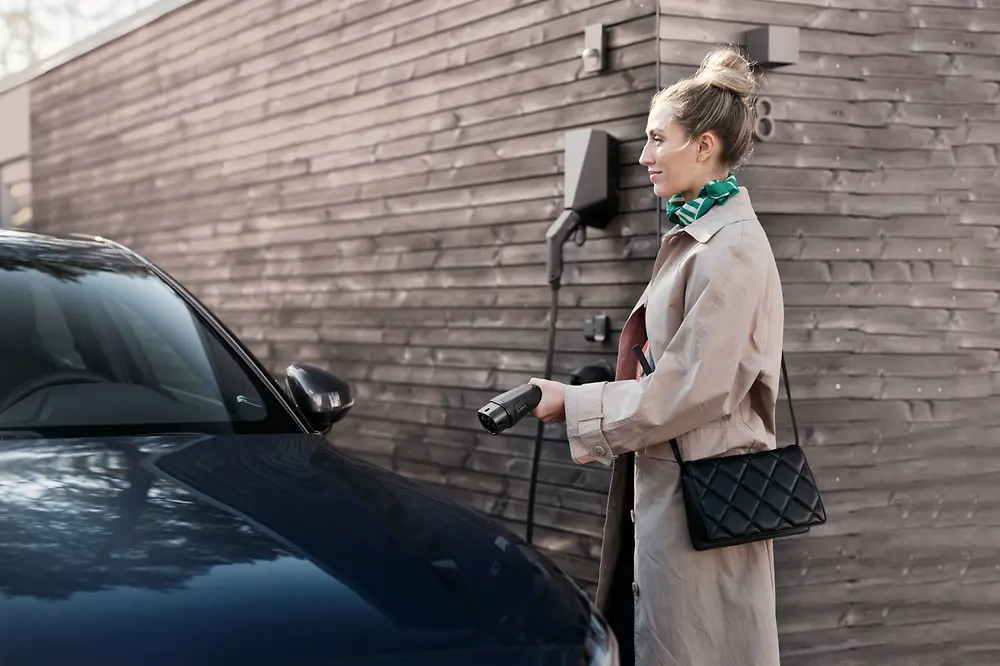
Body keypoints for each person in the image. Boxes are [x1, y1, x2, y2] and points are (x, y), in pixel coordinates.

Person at [530, 46, 784, 666]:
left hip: (700, 497)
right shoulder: (697, 235)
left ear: (703, 146)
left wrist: (576, 403)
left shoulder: (730, 247)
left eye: (655, 140)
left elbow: (695, 386)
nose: (642, 157)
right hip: (675, 486)